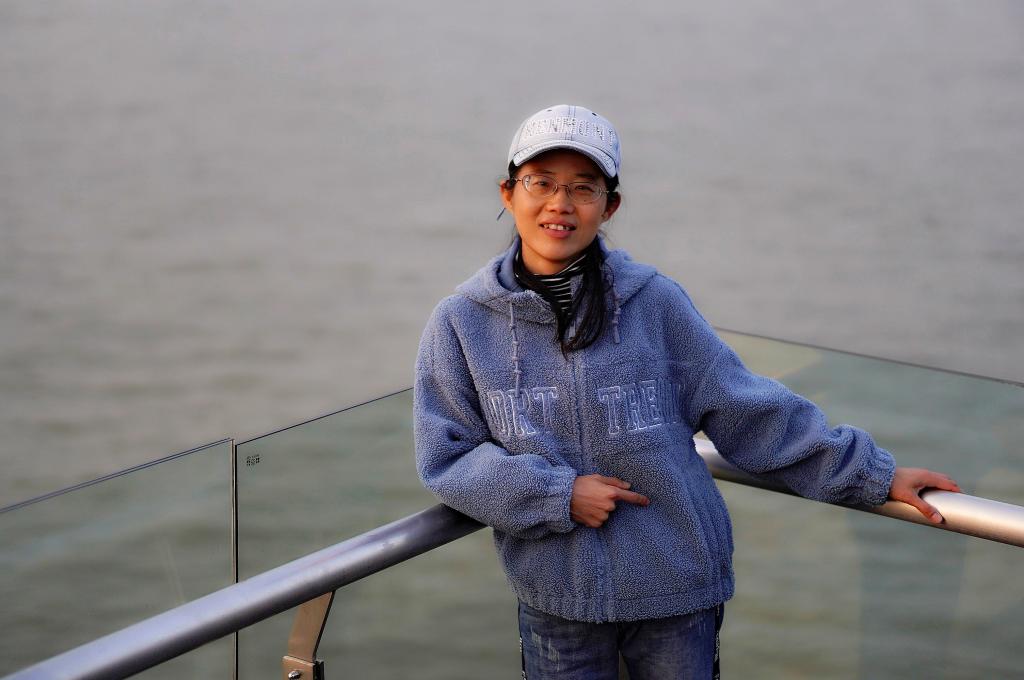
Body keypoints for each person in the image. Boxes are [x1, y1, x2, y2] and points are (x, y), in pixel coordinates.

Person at [413, 104, 960, 679]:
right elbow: (446, 457)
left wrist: (872, 474)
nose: (560, 203)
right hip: (557, 597)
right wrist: (557, 493)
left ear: (609, 205)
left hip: (677, 586)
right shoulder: (461, 322)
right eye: (541, 183)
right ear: (508, 193)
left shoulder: (654, 302)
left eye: (583, 187)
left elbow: (746, 409)